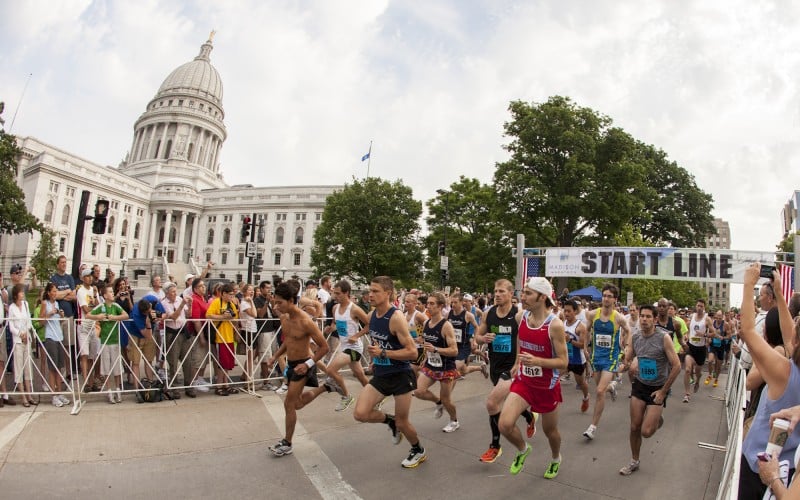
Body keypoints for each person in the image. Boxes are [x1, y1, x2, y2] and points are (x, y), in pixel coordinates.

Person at [352, 276, 426, 469]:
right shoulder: (372, 315)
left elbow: (412, 352)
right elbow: (377, 340)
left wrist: (384, 353)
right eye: (370, 290)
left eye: (375, 291)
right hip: (382, 374)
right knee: (360, 413)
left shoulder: (396, 318)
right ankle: (389, 421)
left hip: (401, 375)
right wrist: (376, 360)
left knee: (404, 422)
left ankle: (417, 449)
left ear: (388, 293)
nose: (370, 295)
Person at [739, 264, 800, 498]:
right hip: (790, 468)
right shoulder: (788, 364)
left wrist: (747, 285)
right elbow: (789, 334)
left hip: (761, 468)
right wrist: (781, 297)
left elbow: (747, 330)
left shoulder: (784, 371)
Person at [267, 280, 346, 457]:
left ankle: (287, 443)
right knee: (297, 404)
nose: (277, 306)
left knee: (289, 403)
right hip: (292, 364)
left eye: (280, 302)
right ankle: (327, 387)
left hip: (304, 364)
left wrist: (308, 364)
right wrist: (275, 355)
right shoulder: (284, 318)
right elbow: (289, 341)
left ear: (291, 300)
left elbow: (324, 347)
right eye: (275, 302)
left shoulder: (306, 321)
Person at [498, 277, 568, 477]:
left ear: (542, 297)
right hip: (525, 382)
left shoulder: (554, 325)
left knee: (550, 432)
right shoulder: (521, 317)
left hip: (547, 386)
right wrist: (518, 362)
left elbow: (563, 362)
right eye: (524, 292)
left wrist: (537, 361)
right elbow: (522, 337)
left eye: (528, 293)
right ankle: (522, 449)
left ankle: (556, 457)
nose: (523, 296)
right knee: (504, 424)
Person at [475, 279, 536, 463]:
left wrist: (521, 362)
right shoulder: (488, 314)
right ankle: (529, 415)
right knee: (506, 401)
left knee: (492, 403)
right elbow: (476, 338)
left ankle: (495, 446)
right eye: (495, 291)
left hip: (513, 367)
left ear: (511, 294)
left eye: (501, 291)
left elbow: (529, 338)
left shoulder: (519, 314)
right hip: (496, 366)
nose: (497, 294)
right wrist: (483, 338)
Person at [619, 304, 681, 475]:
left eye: (648, 316)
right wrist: (623, 364)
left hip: (657, 388)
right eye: (642, 316)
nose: (644, 319)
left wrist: (663, 392)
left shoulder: (664, 338)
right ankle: (634, 461)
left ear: (654, 320)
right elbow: (628, 357)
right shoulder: (636, 336)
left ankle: (657, 420)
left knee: (646, 432)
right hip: (640, 385)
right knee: (634, 427)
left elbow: (676, 366)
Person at [583, 284, 631, 441]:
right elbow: (587, 331)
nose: (606, 298)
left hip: (610, 359)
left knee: (599, 391)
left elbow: (628, 330)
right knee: (601, 388)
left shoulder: (618, 317)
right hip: (596, 357)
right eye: (604, 295)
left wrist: (625, 346)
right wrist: (585, 347)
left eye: (610, 296)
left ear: (615, 300)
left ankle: (592, 427)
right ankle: (612, 387)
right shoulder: (592, 314)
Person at [413, 292, 460, 433]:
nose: (428, 306)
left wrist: (436, 350)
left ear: (440, 306)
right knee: (419, 391)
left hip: (446, 367)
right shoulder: (426, 322)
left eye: (432, 304)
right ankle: (437, 402)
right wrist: (426, 358)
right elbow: (428, 344)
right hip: (431, 365)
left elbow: (454, 350)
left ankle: (454, 420)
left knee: (447, 400)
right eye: (428, 303)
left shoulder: (446, 326)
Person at [324, 280, 370, 411]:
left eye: (338, 294)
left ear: (347, 293)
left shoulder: (354, 308)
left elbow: (369, 325)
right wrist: (330, 328)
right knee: (360, 376)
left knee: (331, 370)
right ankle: (377, 396)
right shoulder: (335, 308)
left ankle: (346, 396)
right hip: (344, 346)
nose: (335, 296)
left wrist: (356, 336)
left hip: (354, 348)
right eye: (334, 293)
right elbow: (335, 324)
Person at [86, 285, 129, 404]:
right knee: (106, 367)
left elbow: (126, 315)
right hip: (105, 341)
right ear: (105, 295)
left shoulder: (116, 306)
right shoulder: (101, 306)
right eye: (110, 292)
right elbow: (88, 315)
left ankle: (118, 390)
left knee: (116, 367)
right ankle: (109, 391)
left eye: (112, 292)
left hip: (115, 340)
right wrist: (97, 317)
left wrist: (115, 317)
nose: (112, 293)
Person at [161, 282, 196, 398]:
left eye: (176, 291)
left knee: (188, 361)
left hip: (183, 332)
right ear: (167, 293)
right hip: (172, 334)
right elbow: (173, 316)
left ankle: (189, 386)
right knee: (173, 362)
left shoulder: (179, 299)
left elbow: (189, 314)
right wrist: (182, 304)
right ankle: (175, 388)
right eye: (172, 292)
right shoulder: (164, 303)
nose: (175, 294)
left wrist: (190, 305)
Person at [40, 283, 70, 407]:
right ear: (48, 293)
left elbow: (59, 320)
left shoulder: (57, 304)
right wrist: (49, 314)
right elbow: (41, 321)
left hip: (59, 336)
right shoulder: (44, 304)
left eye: (56, 291)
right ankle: (54, 395)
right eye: (53, 291)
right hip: (50, 337)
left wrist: (61, 315)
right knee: (52, 367)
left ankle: (59, 392)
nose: (55, 293)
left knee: (59, 366)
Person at [206, 283, 240, 396]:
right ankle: (219, 386)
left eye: (233, 294)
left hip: (229, 337)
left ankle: (226, 385)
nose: (231, 297)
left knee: (228, 364)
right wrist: (222, 317)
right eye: (230, 294)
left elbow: (235, 320)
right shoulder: (216, 302)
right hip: (220, 337)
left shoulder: (232, 304)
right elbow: (208, 315)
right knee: (222, 364)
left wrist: (232, 317)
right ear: (224, 293)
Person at [7, 284, 37, 406]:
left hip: (27, 339)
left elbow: (29, 321)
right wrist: (20, 334)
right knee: (19, 367)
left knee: (27, 367)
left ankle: (29, 395)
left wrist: (27, 332)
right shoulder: (12, 307)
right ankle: (23, 396)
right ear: (16, 294)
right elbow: (11, 326)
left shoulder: (25, 305)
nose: (22, 293)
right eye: (20, 292)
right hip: (18, 341)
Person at [50, 255, 77, 382]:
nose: (64, 264)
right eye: (61, 262)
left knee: (68, 345)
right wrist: (66, 292)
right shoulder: (54, 278)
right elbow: (54, 295)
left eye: (65, 262)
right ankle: (59, 372)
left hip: (69, 315)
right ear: (57, 264)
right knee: (59, 345)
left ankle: (68, 371)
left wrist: (64, 294)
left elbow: (73, 296)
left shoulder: (69, 278)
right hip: (58, 317)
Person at [448, 292, 485, 380]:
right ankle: (480, 368)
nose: (453, 304)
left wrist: (475, 340)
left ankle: (447, 392)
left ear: (461, 302)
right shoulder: (449, 313)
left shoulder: (468, 315)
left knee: (454, 368)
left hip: (463, 346)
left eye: (455, 302)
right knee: (463, 370)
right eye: (452, 302)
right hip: (452, 345)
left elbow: (477, 327)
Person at [76, 267, 101, 392]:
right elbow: (85, 309)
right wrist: (96, 313)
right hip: (84, 325)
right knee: (84, 354)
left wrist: (96, 295)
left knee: (92, 355)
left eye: (91, 276)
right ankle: (86, 381)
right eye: (87, 276)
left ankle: (91, 382)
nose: (90, 278)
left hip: (92, 325)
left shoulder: (92, 290)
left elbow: (97, 305)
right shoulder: (81, 291)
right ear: (82, 278)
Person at [563, 299, 590, 412]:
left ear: (575, 312)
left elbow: (582, 345)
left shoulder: (580, 327)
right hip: (565, 358)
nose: (566, 314)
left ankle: (586, 397)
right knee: (553, 377)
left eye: (569, 311)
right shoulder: (562, 323)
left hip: (577, 360)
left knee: (581, 383)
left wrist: (570, 341)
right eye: (565, 311)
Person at [684, 299, 714, 402]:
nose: (699, 308)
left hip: (701, 349)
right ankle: (687, 394)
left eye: (701, 306)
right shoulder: (692, 316)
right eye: (698, 306)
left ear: (704, 307)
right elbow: (688, 329)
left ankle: (697, 381)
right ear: (696, 306)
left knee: (698, 371)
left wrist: (704, 335)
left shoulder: (707, 319)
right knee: (687, 369)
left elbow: (713, 333)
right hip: (691, 347)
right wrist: (686, 336)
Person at [705, 310, 730, 388]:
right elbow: (708, 333)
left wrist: (723, 337)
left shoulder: (726, 325)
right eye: (717, 317)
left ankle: (716, 379)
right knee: (710, 361)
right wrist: (708, 340)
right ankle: (709, 375)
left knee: (718, 364)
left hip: (721, 346)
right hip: (713, 345)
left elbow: (729, 336)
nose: (718, 319)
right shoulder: (712, 323)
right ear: (715, 316)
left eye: (720, 318)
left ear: (722, 317)